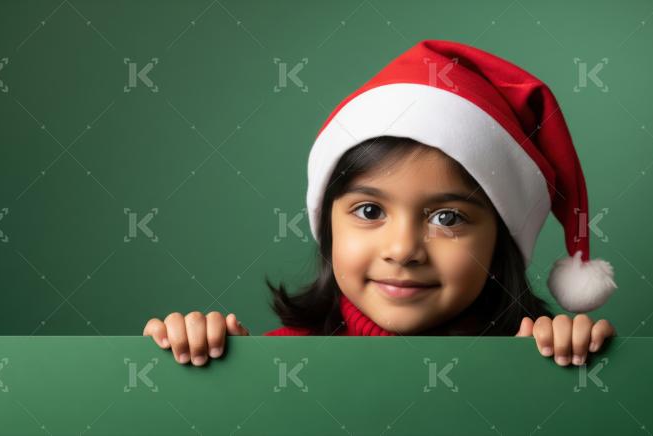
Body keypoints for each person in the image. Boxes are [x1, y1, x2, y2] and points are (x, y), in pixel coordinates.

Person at [144, 40, 617, 368]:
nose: (403, 249)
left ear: (501, 242)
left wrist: (560, 367)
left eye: (447, 218)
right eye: (370, 211)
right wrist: (212, 371)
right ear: (328, 227)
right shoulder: (272, 364)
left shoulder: (531, 359)